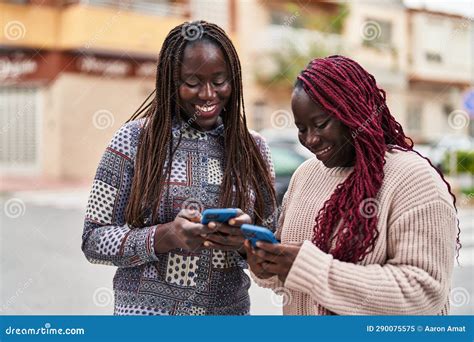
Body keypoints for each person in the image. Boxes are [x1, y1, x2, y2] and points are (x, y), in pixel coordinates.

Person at [81, 21, 277, 315]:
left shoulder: (254, 149)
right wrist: (166, 235)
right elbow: (93, 240)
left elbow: (272, 243)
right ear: (170, 82)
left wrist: (243, 243)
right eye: (193, 83)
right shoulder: (133, 141)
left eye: (220, 81)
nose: (208, 94)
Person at [245, 55, 460, 315]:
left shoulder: (413, 179)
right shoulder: (305, 175)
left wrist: (307, 267)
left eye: (321, 124)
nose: (310, 140)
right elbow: (293, 281)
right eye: (301, 128)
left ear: (354, 113)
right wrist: (266, 264)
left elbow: (423, 293)